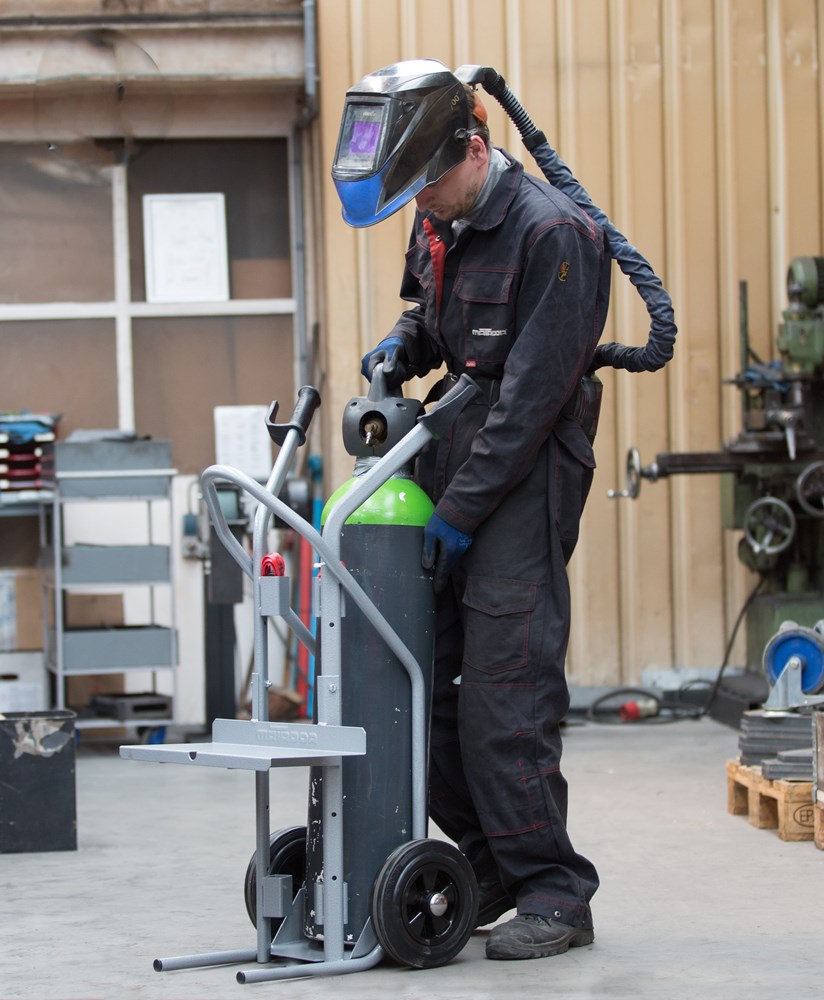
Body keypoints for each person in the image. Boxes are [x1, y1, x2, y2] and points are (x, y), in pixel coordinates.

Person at [332, 59, 611, 962]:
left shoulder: (555, 236)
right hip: (457, 458)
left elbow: (530, 405)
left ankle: (557, 893)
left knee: (504, 696)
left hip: (522, 479)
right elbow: (432, 313)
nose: (428, 210)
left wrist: (456, 515)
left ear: (477, 148)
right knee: (424, 688)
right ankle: (489, 866)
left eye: (433, 189)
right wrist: (399, 346)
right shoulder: (440, 213)